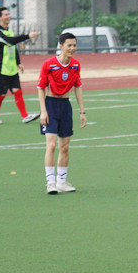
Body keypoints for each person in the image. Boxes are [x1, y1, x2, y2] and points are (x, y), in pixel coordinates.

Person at [37, 32, 85, 195]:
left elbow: (78, 87)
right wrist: (43, 111)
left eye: (74, 45)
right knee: (51, 145)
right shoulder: (49, 64)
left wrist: (82, 111)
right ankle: (50, 183)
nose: (72, 48)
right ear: (61, 46)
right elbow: (41, 88)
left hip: (65, 106)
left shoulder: (75, 65)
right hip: (50, 106)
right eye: (69, 45)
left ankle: (62, 182)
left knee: (64, 147)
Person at [0, 7, 40, 125]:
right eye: (6, 15)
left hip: (12, 69)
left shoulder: (10, 31)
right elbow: (10, 41)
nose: (9, 16)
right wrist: (28, 36)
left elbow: (13, 47)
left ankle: (25, 116)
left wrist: (18, 62)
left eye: (9, 14)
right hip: (1, 69)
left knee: (18, 91)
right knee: (1, 94)